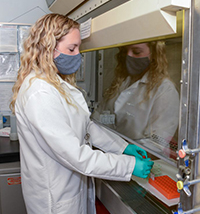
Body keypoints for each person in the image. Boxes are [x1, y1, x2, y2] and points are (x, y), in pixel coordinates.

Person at [9, 14, 154, 214]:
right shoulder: (39, 93)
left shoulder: (54, 83)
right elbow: (77, 157)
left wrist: (122, 147)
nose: (78, 55)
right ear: (48, 48)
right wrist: (128, 166)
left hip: (69, 191)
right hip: (56, 201)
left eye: (79, 48)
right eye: (72, 49)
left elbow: (86, 126)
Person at [92, 42, 179, 155]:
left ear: (154, 54)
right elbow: (102, 118)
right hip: (113, 156)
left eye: (136, 52)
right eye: (125, 51)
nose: (128, 56)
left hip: (144, 160)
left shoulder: (164, 90)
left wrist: (123, 149)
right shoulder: (121, 82)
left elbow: (158, 142)